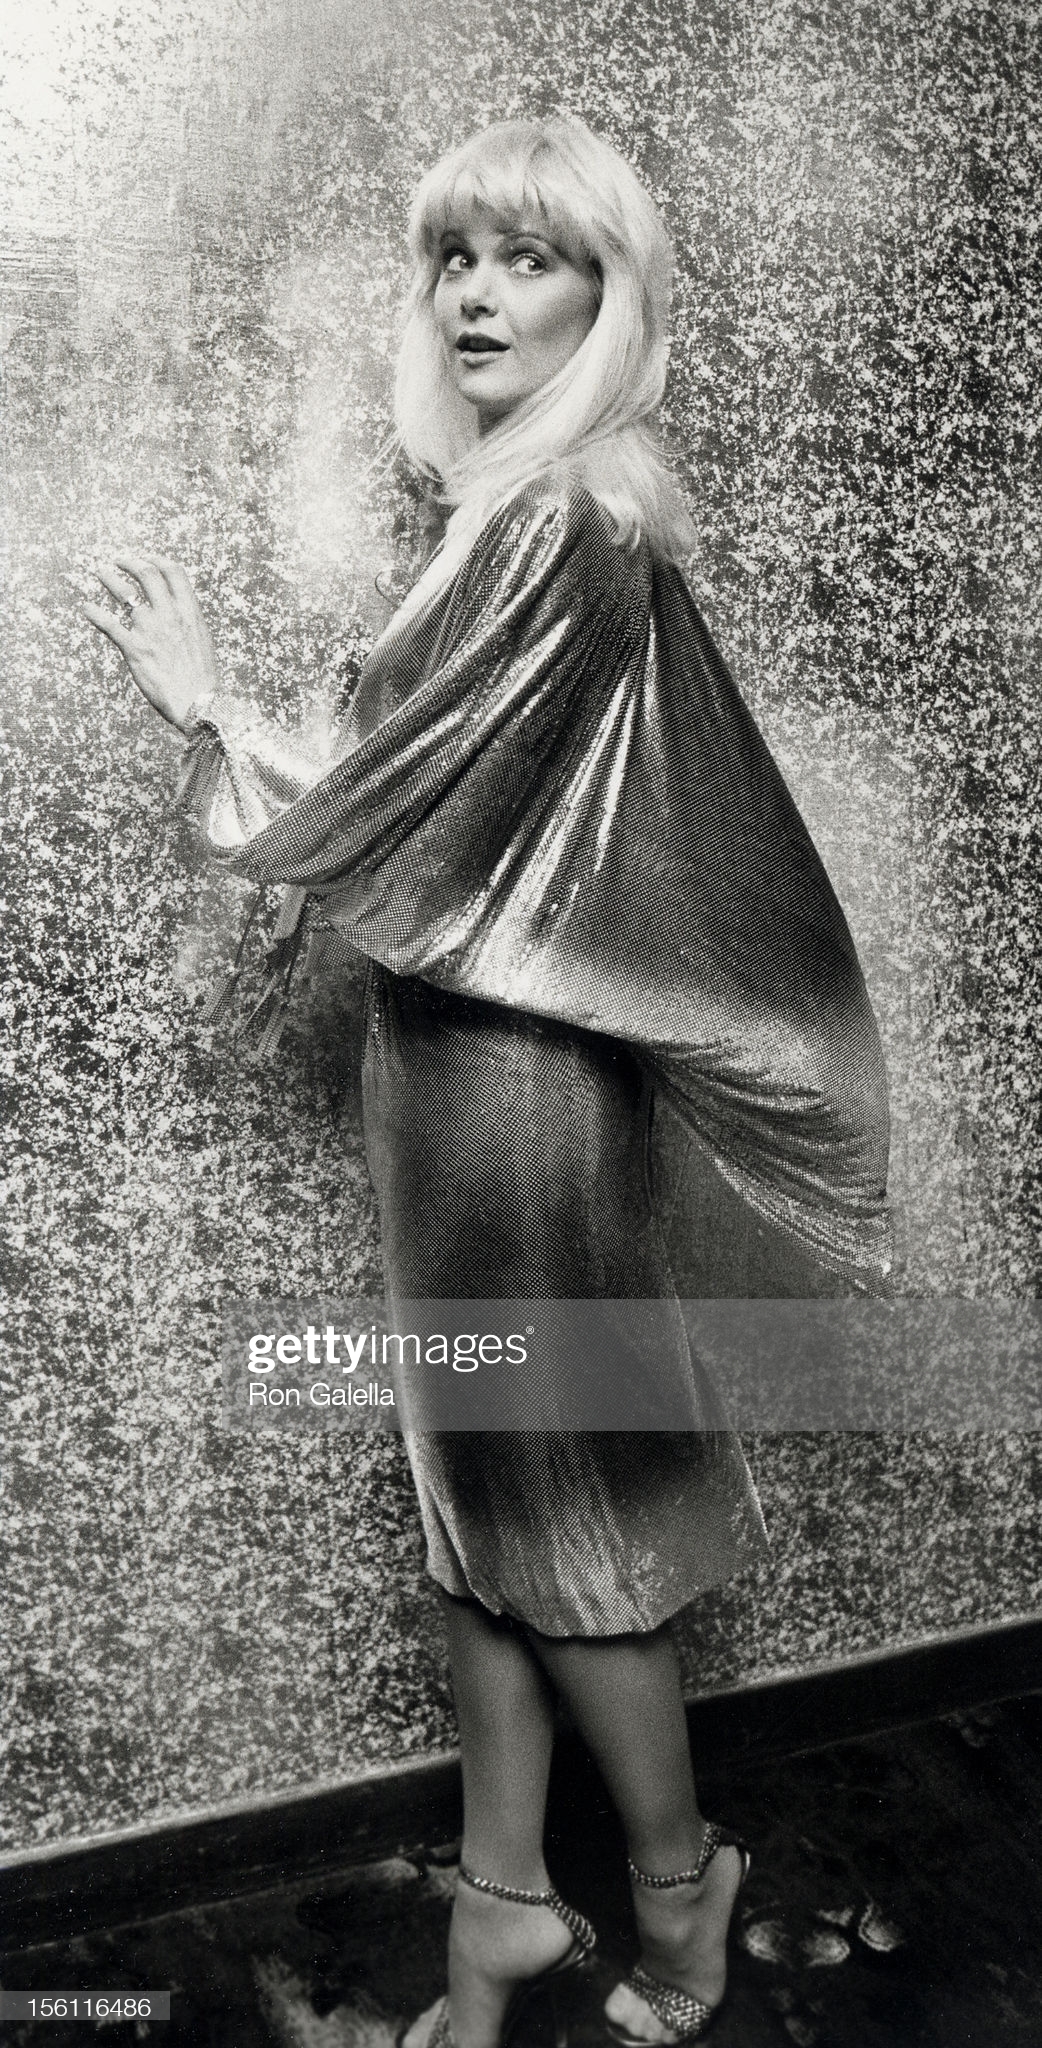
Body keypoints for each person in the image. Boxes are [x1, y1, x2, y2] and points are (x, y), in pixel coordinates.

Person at [86, 115, 891, 2048]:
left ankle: (681, 1892)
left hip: (519, 1101)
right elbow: (446, 819)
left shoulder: (564, 518)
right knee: (480, 1501)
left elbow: (411, 825)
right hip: (455, 1074)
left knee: (562, 1523)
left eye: (531, 258)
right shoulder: (522, 502)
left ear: (609, 300)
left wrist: (212, 717)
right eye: (456, 254)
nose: (475, 293)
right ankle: (505, 1906)